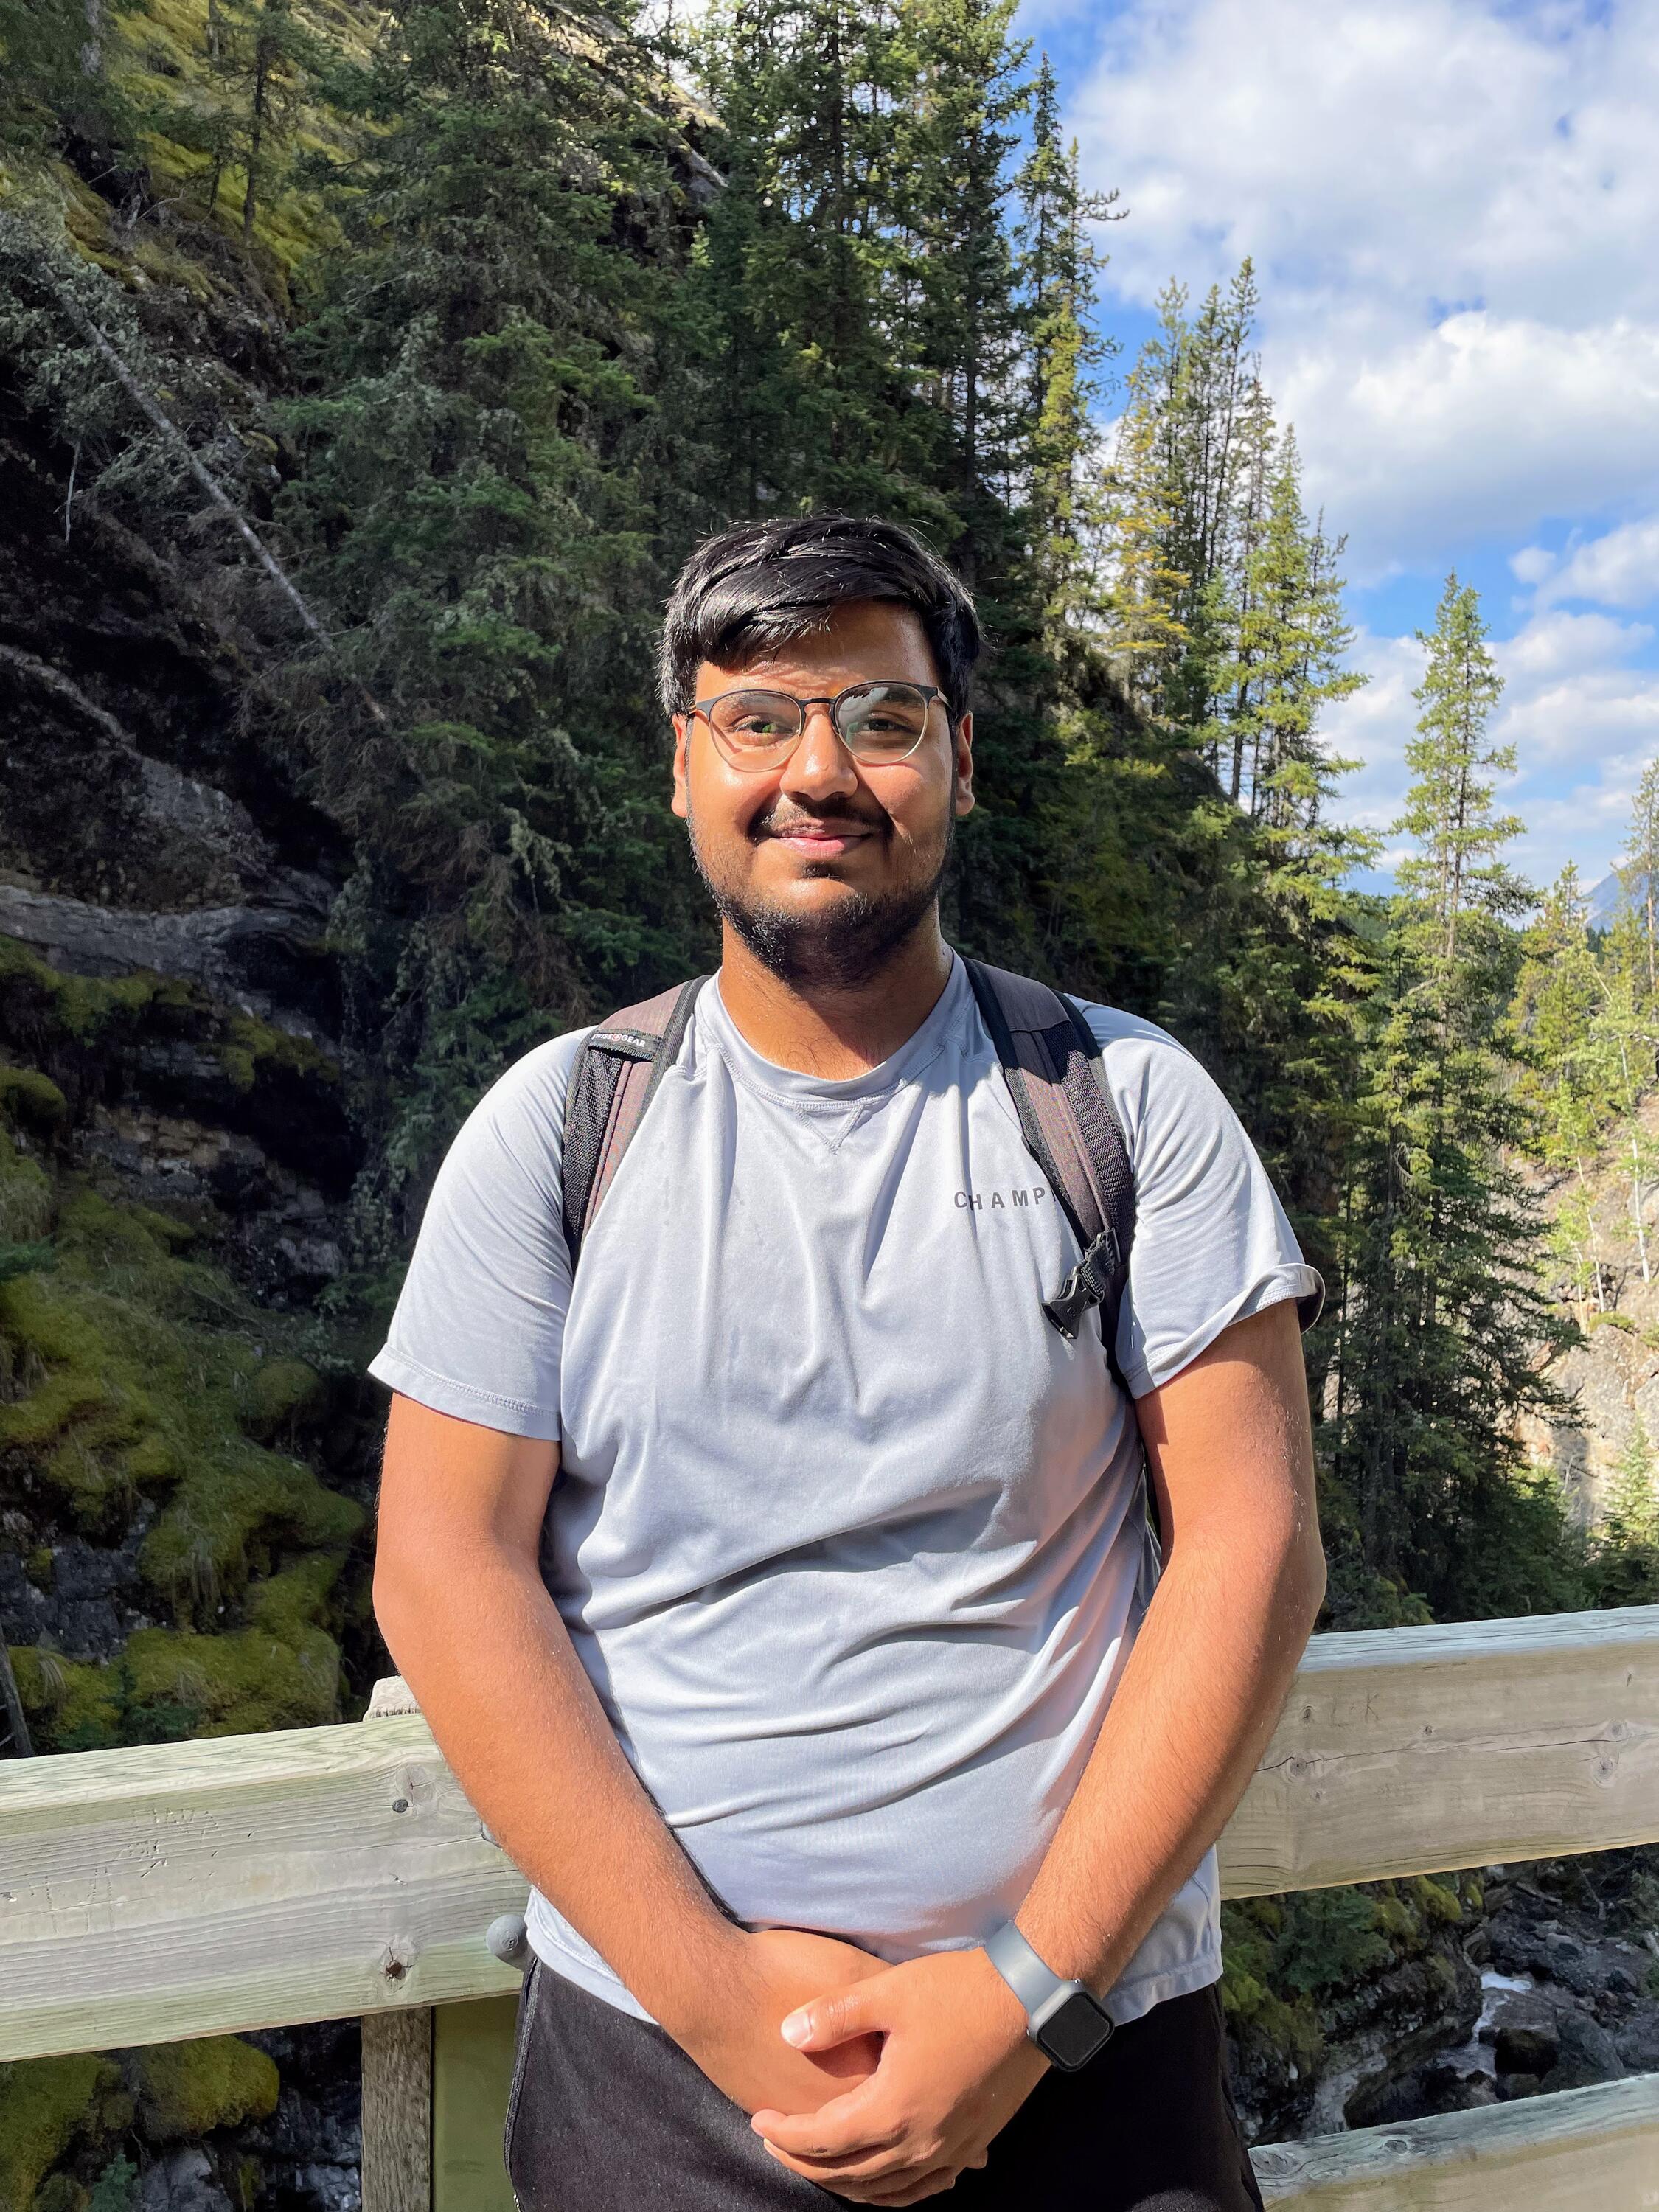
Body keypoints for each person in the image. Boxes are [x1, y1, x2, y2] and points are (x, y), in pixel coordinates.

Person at [367, 512, 1327, 2211]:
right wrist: (724, 2002)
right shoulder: (560, 1129)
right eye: (760, 717)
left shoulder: (1125, 1109)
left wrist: (1026, 1995)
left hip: (1090, 2073)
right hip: (658, 2079)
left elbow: (1251, 1552)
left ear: (959, 760)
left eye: (882, 720)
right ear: (685, 765)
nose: (822, 770)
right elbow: (446, 1569)